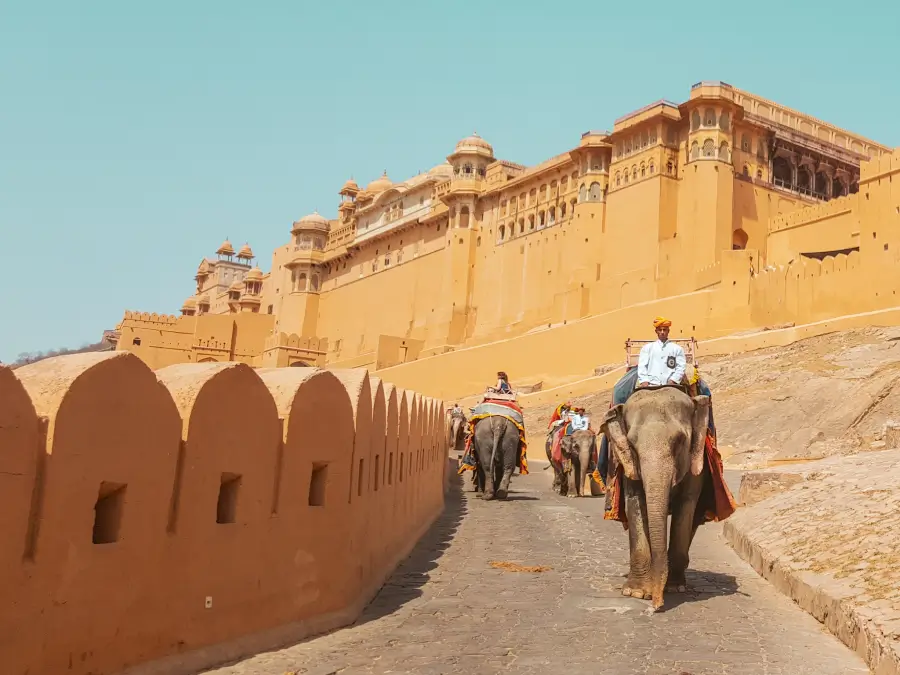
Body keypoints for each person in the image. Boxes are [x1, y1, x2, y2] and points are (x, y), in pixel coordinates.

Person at [637, 317, 686, 387]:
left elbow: (681, 367)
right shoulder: (647, 348)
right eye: (660, 330)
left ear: (668, 331)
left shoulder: (677, 349)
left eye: (664, 330)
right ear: (656, 331)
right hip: (651, 385)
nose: (662, 332)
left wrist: (673, 380)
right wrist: (644, 381)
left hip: (671, 385)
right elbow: (642, 366)